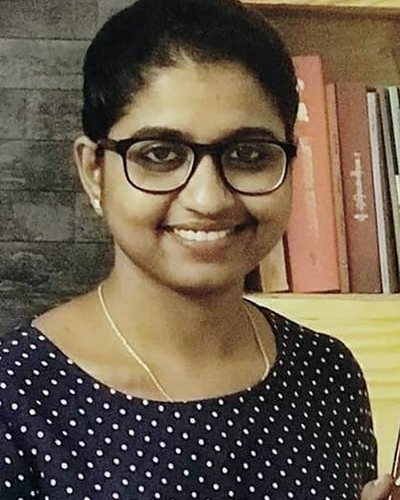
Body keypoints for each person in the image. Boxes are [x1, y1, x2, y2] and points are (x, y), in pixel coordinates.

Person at [0, 0, 396, 498]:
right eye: (160, 154)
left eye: (248, 154)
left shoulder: (327, 373)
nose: (208, 200)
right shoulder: (16, 395)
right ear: (94, 171)